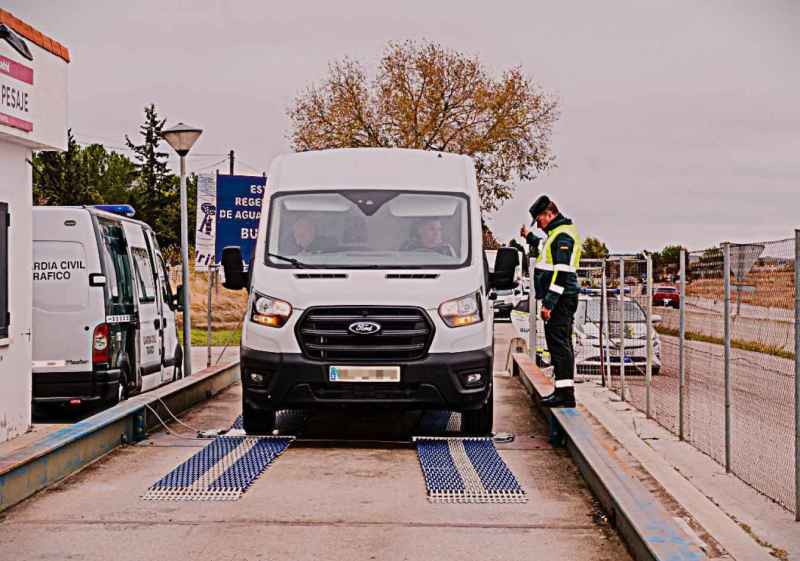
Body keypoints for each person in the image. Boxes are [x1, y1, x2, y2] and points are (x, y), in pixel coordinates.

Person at [520, 195, 582, 408]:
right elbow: (543, 246)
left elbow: (562, 273)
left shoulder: (563, 236)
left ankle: (565, 395)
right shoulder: (555, 234)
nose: (538, 224)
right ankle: (562, 391)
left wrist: (549, 303)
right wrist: (529, 237)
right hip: (561, 299)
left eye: (539, 220)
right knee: (559, 343)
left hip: (561, 300)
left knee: (559, 344)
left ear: (549, 213)